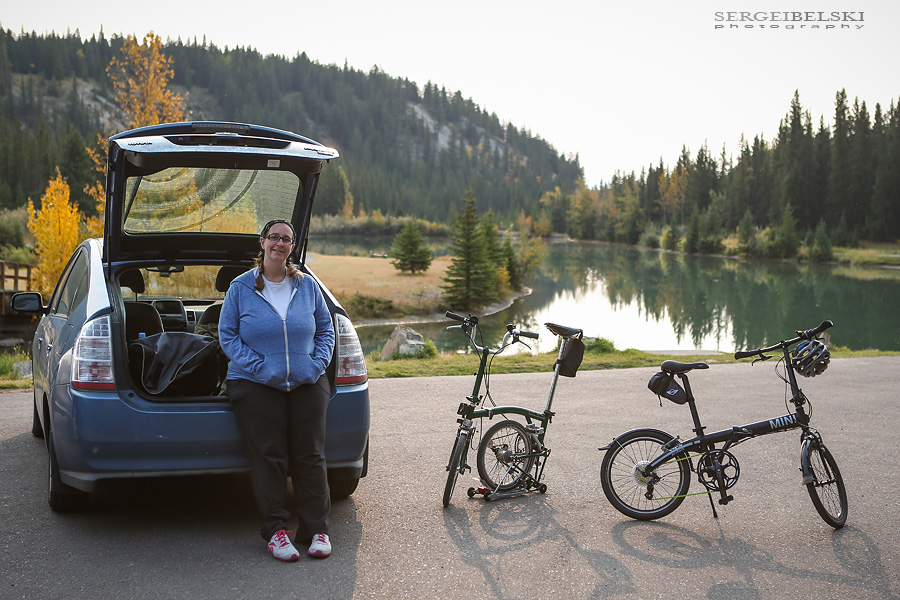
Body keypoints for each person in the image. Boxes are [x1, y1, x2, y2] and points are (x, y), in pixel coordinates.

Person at [219, 219, 336, 562]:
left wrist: (315, 365)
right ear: (262, 242)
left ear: (292, 247)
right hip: (254, 381)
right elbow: (227, 336)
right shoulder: (241, 287)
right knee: (269, 455)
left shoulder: (307, 285)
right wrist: (260, 367)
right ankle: (275, 532)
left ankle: (317, 529)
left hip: (306, 380)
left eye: (286, 239)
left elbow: (326, 330)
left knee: (310, 453)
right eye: (274, 237)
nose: (279, 244)